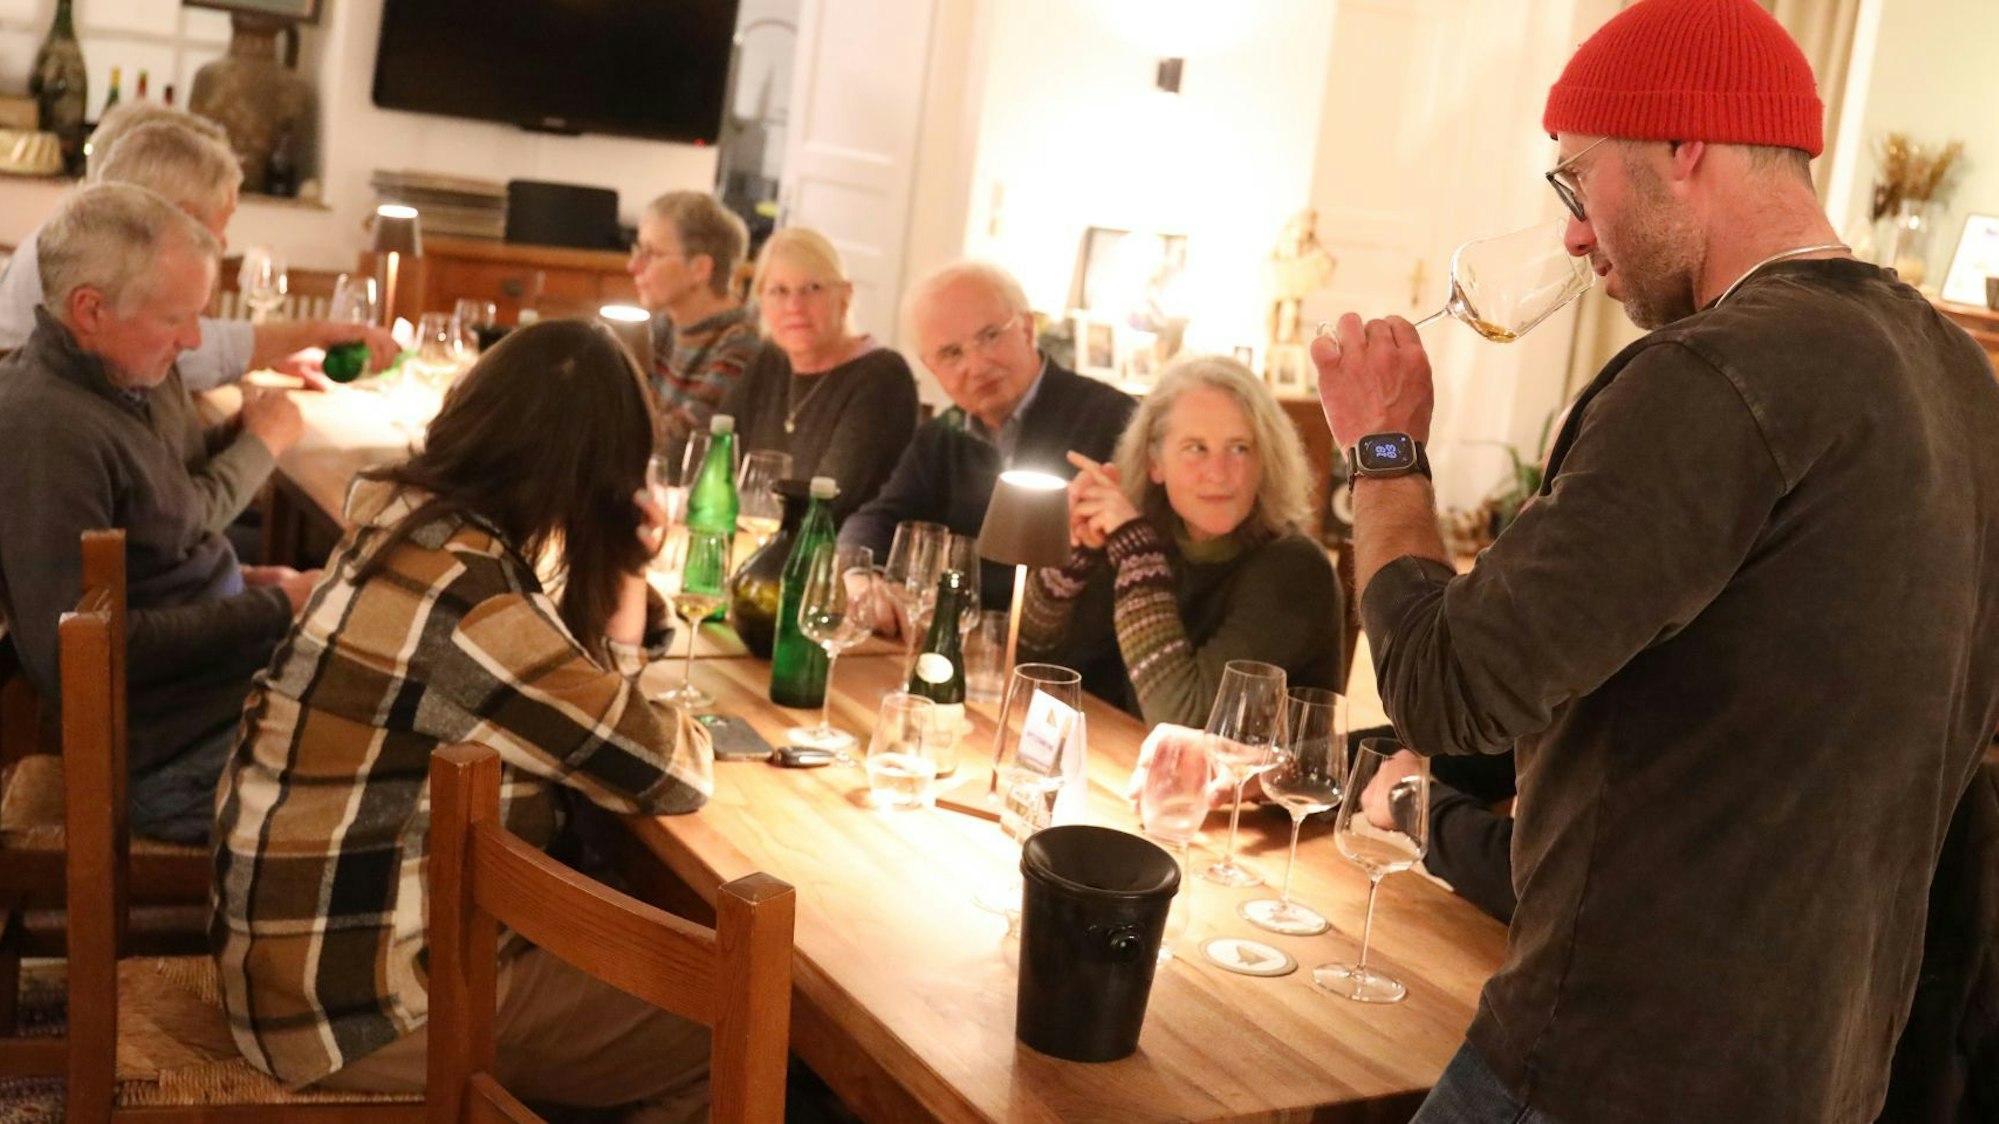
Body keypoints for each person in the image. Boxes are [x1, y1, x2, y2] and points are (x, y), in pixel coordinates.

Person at [1311, 1, 1999, 1121]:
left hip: (1611, 1067)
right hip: (1827, 1077)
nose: (1576, 234)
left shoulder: (1714, 375)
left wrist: (1380, 452)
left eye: (1576, 182)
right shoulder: (1959, 379)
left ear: (1684, 145)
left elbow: (1445, 688)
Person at [212, 319, 716, 1119]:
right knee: (737, 1032)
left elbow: (565, 689)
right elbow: (669, 771)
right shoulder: (475, 607)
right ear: (599, 475)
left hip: (291, 958)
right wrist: (620, 560)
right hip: (356, 1011)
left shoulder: (406, 519)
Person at [0, 184, 317, 845]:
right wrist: (278, 608)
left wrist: (245, 581)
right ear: (89, 310)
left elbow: (156, 557)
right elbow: (76, 653)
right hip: (171, 766)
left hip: (216, 701)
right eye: (177, 318)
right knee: (429, 777)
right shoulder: (48, 430)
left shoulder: (119, 388)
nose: (194, 338)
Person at [1017, 354, 1342, 725]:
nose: (1218, 474)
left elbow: (1181, 721)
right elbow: (1035, 663)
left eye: (1239, 448)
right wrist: (1077, 555)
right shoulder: (1152, 542)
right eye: (1196, 448)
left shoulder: (1296, 570)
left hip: (1258, 783)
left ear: (1264, 461)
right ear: (1155, 463)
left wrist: (1136, 552)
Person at [0, 108, 397, 390]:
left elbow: (182, 344)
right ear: (184, 216)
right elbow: (186, 359)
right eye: (222, 224)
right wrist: (313, 334)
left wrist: (276, 352)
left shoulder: (73, 236)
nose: (224, 244)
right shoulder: (89, 257)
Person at [840, 260, 1136, 608]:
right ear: (930, 367)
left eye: (990, 336)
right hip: (961, 641)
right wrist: (859, 578)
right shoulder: (942, 436)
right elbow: (875, 519)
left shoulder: (1114, 421)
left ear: (1027, 329)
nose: (977, 366)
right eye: (951, 353)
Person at [719, 227, 918, 522]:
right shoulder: (770, 360)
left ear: (845, 295)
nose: (795, 307)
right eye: (779, 291)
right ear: (761, 300)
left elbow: (828, 502)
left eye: (812, 288)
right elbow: (718, 457)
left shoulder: (883, 377)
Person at [629, 191, 761, 460]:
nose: (633, 266)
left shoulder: (742, 343)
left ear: (700, 269)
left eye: (650, 254)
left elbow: (685, 443)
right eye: (636, 250)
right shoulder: (663, 324)